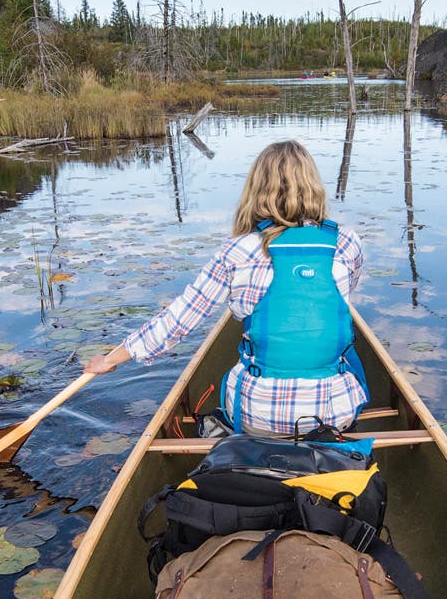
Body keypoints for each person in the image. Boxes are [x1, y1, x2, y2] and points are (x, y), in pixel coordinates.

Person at [83, 139, 366, 437]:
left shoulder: (237, 251)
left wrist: (109, 359)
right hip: (336, 414)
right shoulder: (347, 242)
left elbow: (178, 319)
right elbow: (341, 295)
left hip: (257, 417)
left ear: (257, 189)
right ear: (312, 185)